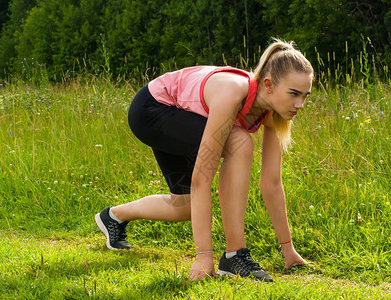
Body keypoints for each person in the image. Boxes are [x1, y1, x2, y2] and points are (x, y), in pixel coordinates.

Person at [95, 38, 314, 282]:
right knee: (240, 142)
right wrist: (203, 257)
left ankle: (113, 216)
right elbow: (203, 178)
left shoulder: (276, 114)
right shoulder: (232, 93)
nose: (300, 104)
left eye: (305, 96)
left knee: (185, 205)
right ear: (268, 84)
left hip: (178, 113)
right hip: (152, 109)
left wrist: (288, 249)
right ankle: (234, 255)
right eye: (294, 94)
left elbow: (271, 184)